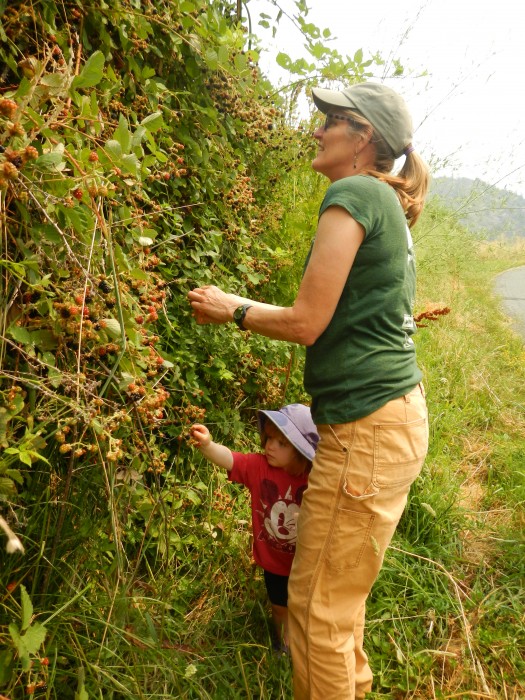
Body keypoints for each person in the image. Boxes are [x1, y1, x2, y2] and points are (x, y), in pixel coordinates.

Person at [188, 81, 429, 699]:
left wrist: (229, 308)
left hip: (368, 430)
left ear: (363, 137)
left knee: (316, 609)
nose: (318, 130)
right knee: (337, 599)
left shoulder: (352, 193)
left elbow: (305, 321)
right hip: (390, 422)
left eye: (332, 120)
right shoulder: (385, 202)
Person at [190, 403, 319, 652]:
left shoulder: (314, 478)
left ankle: (310, 642)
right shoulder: (259, 467)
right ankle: (284, 645)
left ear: (301, 450)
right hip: (274, 562)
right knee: (280, 607)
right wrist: (207, 445)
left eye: (282, 443)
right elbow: (230, 460)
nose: (270, 445)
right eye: (269, 438)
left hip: (308, 561)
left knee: (308, 607)